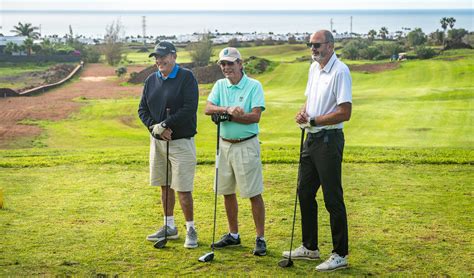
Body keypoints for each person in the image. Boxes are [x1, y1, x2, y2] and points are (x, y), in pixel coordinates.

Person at [282, 30, 352, 271]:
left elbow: (345, 112)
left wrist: (314, 121)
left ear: (330, 46)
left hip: (329, 140)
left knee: (333, 198)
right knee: (304, 191)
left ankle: (340, 254)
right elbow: (309, 101)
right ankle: (310, 247)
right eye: (310, 44)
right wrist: (303, 113)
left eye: (317, 44)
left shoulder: (340, 71)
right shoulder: (314, 68)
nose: (312, 48)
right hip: (311, 140)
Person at [204, 47, 267, 256]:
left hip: (246, 144)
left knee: (253, 193)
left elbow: (255, 116)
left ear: (240, 64)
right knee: (226, 191)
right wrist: (227, 110)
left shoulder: (253, 86)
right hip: (224, 145)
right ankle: (234, 235)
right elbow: (208, 108)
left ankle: (260, 238)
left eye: (230, 63)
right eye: (223, 64)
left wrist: (230, 116)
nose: (226, 67)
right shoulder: (220, 85)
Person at [138, 41, 199, 248]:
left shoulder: (186, 77)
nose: (159, 61)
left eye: (163, 56)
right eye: (156, 57)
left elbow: (190, 108)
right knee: (164, 185)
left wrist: (165, 124)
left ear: (174, 56)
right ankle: (169, 226)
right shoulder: (150, 80)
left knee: (183, 188)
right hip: (158, 143)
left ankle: (191, 228)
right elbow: (142, 110)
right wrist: (154, 128)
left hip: (181, 142)